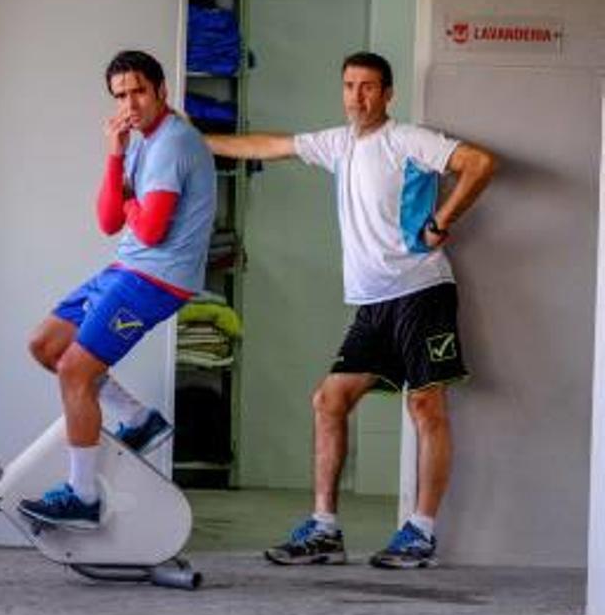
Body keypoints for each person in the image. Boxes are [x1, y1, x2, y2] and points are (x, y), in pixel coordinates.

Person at [206, 51, 496, 569]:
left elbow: (479, 164)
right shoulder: (337, 144)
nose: (357, 96)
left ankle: (422, 532)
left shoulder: (408, 139)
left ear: (388, 94)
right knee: (329, 401)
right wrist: (198, 139)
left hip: (421, 291)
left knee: (425, 408)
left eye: (368, 87)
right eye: (349, 85)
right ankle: (324, 530)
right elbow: (267, 146)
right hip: (371, 304)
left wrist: (441, 222)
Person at [18, 50, 217, 529]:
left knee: (74, 372)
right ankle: (137, 418)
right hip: (127, 266)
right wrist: (114, 152)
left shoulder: (173, 143)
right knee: (45, 345)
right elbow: (111, 220)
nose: (131, 104)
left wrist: (132, 206)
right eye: (121, 95)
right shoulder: (137, 141)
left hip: (157, 277)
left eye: (139, 92)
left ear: (162, 91)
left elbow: (149, 231)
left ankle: (83, 496)